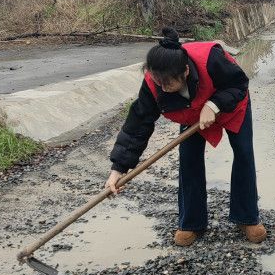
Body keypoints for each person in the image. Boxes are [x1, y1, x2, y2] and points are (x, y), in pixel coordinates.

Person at [105, 27, 266, 246]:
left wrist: (214, 104)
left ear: (186, 72)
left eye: (168, 83)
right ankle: (191, 222)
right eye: (158, 82)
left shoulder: (211, 59)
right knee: (189, 160)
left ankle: (247, 217)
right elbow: (138, 123)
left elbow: (239, 83)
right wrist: (118, 169)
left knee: (244, 153)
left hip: (230, 106)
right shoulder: (155, 82)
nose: (163, 88)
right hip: (191, 115)